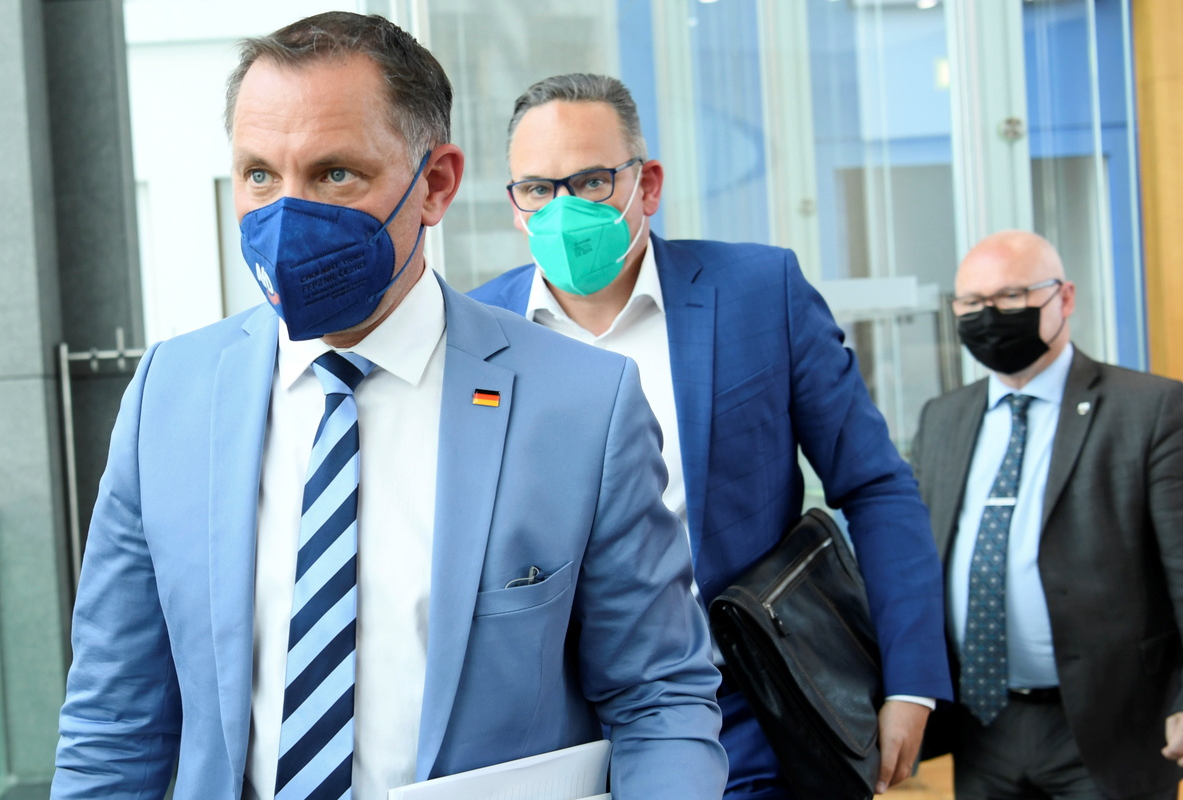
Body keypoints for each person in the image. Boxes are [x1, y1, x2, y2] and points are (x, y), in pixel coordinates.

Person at [51, 15, 727, 800]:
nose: (287, 216)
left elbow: (658, 699)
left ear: (436, 184)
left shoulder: (582, 405)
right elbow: (113, 724)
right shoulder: (169, 397)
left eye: (335, 174)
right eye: (260, 175)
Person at [469, 73, 953, 799]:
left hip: (746, 718)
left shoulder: (761, 292)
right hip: (556, 740)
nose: (564, 208)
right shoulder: (479, 335)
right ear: (515, 205)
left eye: (593, 181)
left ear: (647, 184)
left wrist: (911, 680)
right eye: (538, 189)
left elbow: (875, 485)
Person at [911, 230, 1183, 799]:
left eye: (1011, 297)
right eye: (971, 302)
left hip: (1109, 728)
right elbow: (916, 564)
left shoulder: (1152, 409)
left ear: (1065, 297)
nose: (989, 316)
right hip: (982, 724)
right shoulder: (943, 418)